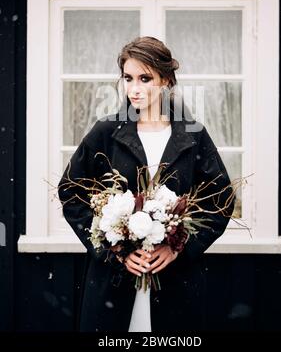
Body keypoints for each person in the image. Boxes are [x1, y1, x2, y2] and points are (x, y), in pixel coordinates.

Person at [58, 36, 235, 332]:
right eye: (128, 78)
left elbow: (221, 200)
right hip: (112, 286)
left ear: (165, 80)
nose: (134, 88)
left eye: (145, 78)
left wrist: (180, 248)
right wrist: (114, 249)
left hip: (175, 284)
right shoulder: (106, 132)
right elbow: (71, 192)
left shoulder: (191, 135)